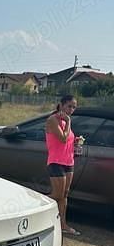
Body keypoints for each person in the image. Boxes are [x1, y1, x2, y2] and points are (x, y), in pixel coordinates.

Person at [45, 94, 80, 236]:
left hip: (69, 161)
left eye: (74, 107)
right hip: (56, 162)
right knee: (57, 194)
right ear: (61, 105)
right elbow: (63, 138)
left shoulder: (66, 121)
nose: (71, 109)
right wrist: (69, 122)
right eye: (69, 106)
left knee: (64, 195)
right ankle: (37, 208)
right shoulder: (53, 120)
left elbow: (68, 140)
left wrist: (76, 142)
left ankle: (63, 224)